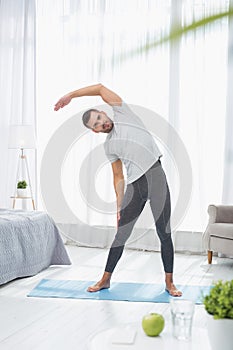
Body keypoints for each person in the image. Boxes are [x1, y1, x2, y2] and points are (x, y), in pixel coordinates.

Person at [54, 83, 182, 297]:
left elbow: (100, 88)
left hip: (156, 176)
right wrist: (119, 207)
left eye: (100, 118)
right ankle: (105, 279)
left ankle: (169, 282)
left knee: (164, 233)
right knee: (121, 235)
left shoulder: (124, 114)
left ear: (105, 112)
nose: (102, 123)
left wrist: (71, 95)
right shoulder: (109, 146)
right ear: (95, 131)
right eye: (97, 124)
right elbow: (118, 177)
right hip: (135, 186)